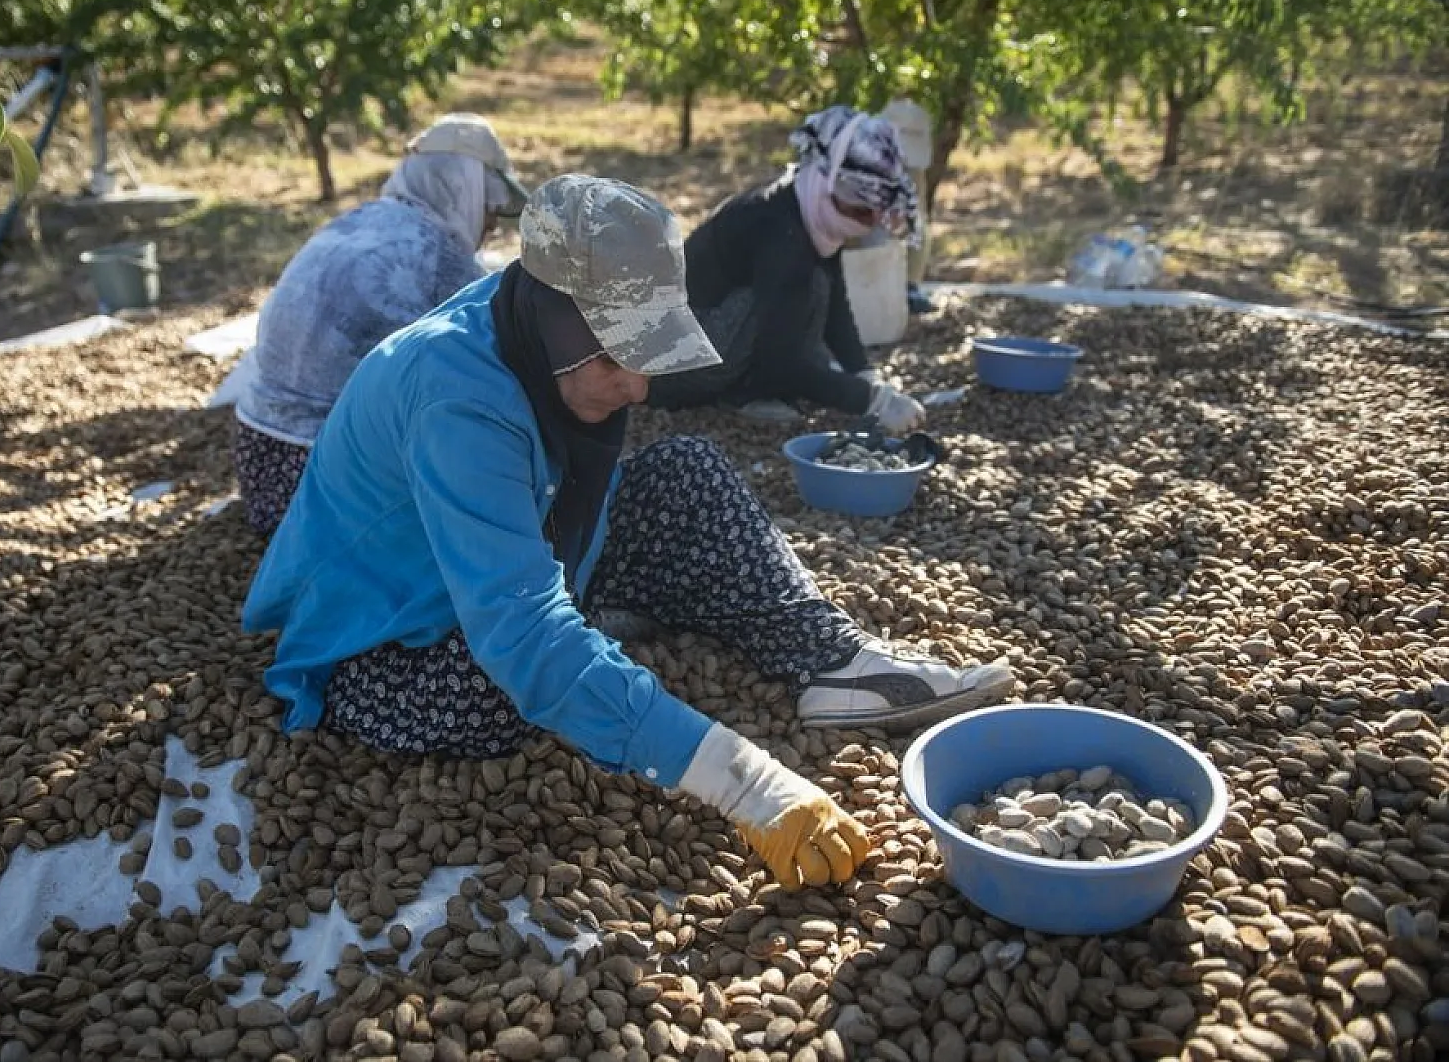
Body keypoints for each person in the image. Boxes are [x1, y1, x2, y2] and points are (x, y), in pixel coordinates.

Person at [242, 175, 1013, 889]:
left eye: (646, 353)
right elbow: (518, 637)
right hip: (381, 626)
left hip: (505, 552)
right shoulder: (456, 397)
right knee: (504, 684)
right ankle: (585, 647)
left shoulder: (536, 335)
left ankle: (833, 663)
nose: (639, 385)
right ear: (558, 323)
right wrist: (746, 781)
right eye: (619, 356)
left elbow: (585, 493)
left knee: (686, 472)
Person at [231, 112, 529, 533]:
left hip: (260, 464)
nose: (493, 224)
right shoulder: (440, 258)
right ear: (464, 190)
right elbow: (497, 370)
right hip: (326, 484)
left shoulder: (355, 221)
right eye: (490, 207)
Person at [649, 105, 929, 428]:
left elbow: (836, 300)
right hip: (676, 363)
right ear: (830, 184)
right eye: (861, 212)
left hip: (704, 332)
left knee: (817, 286)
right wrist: (870, 400)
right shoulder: (782, 234)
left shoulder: (806, 206)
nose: (868, 224)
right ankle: (754, 392)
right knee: (804, 289)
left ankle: (761, 385)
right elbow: (783, 358)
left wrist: (864, 373)